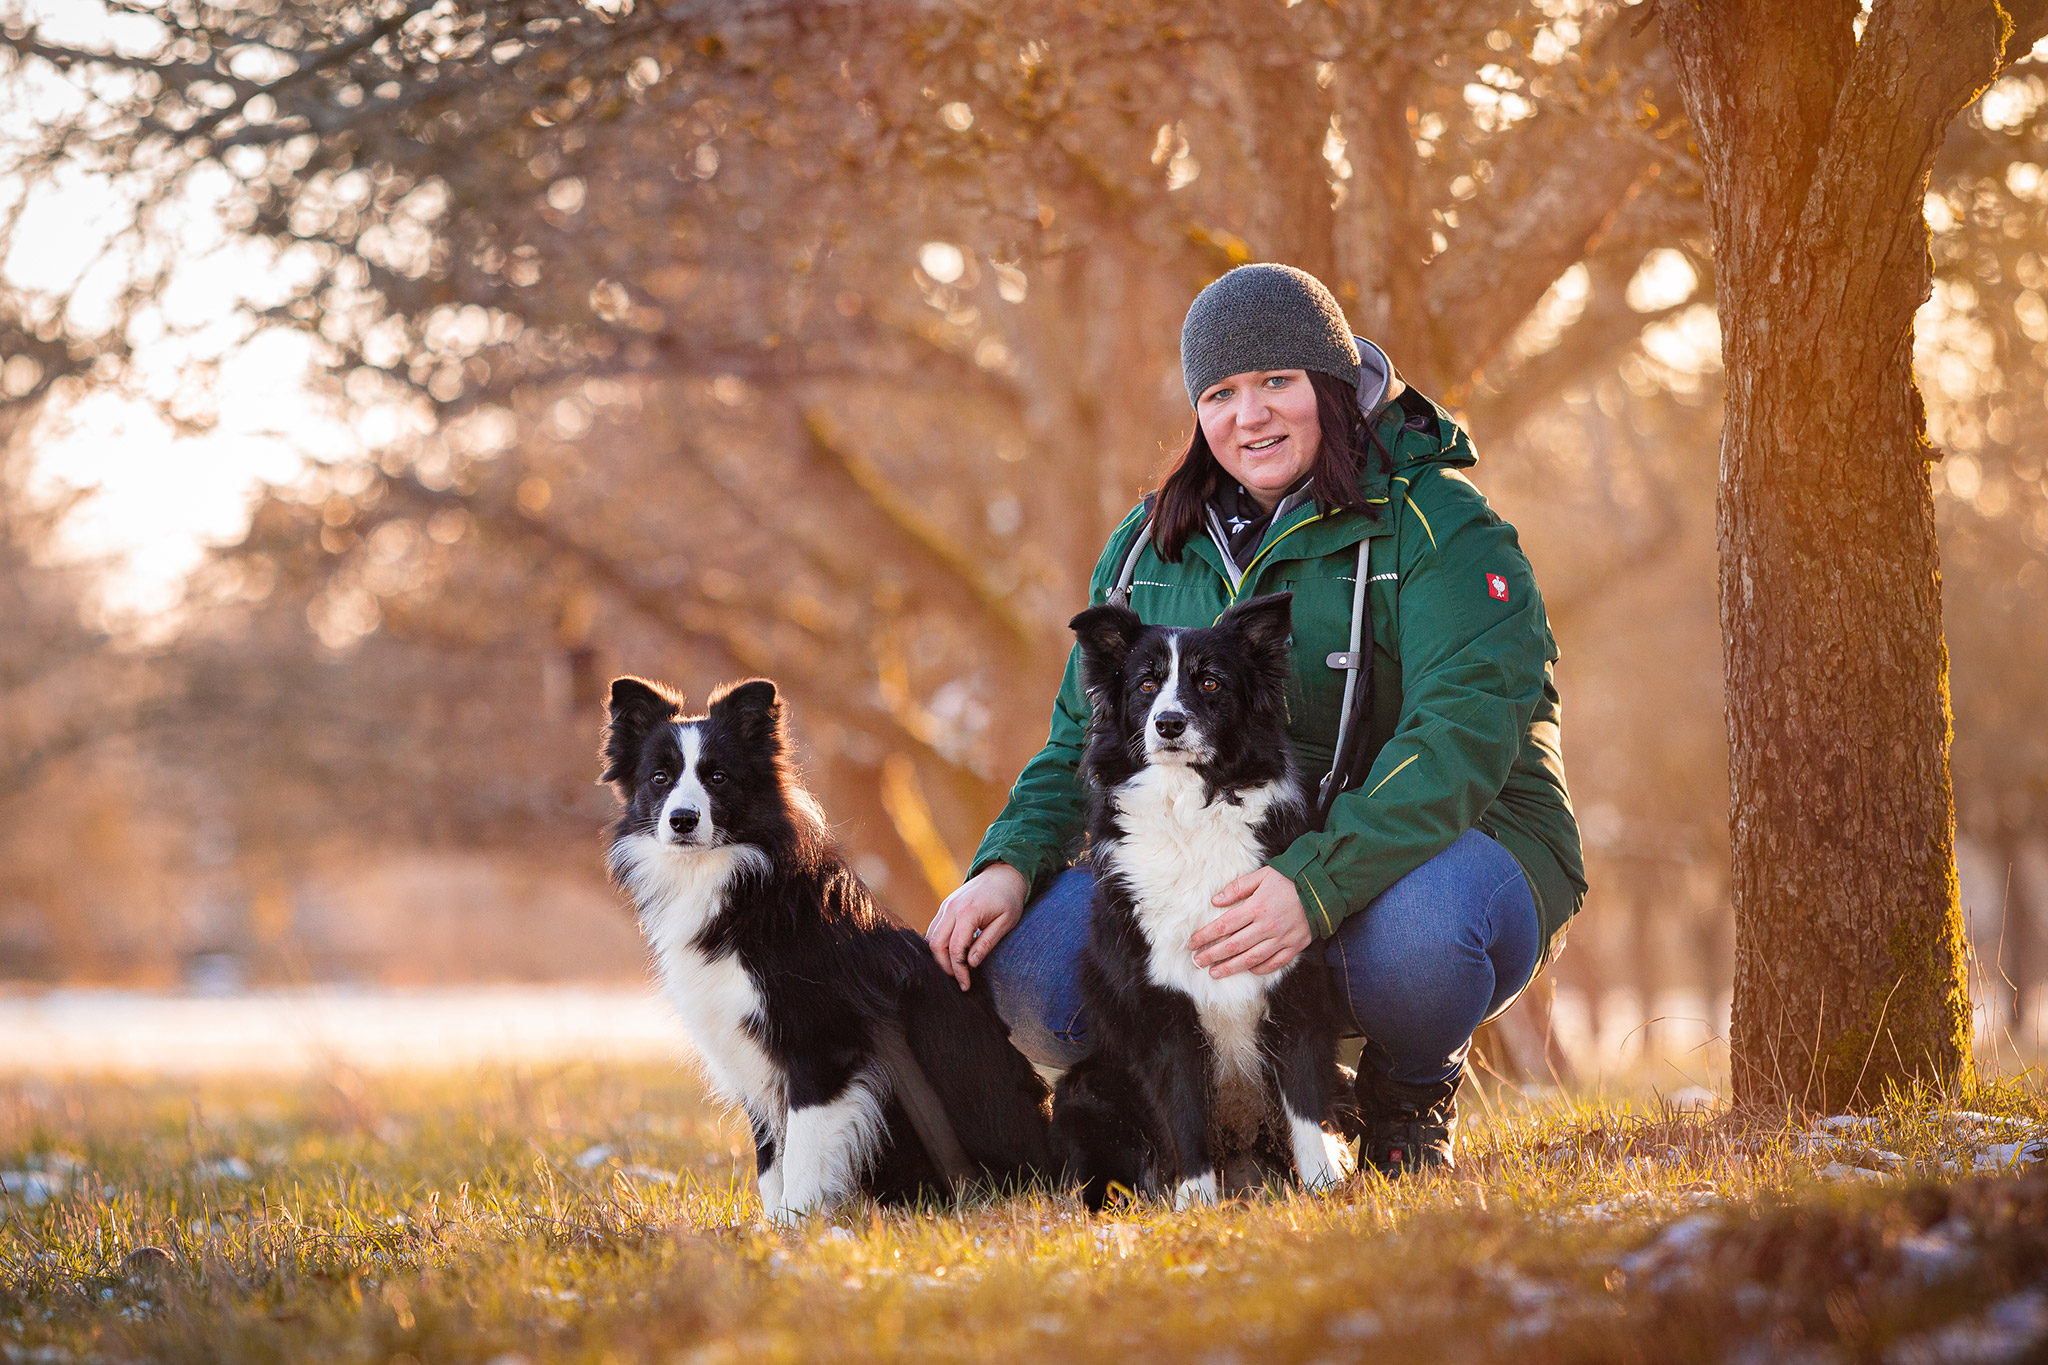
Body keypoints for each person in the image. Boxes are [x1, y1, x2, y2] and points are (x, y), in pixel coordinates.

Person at [925, 263, 1585, 1175]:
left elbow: (1462, 737)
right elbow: (1082, 738)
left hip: (1451, 850)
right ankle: (1207, 1115)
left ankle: (1405, 1095)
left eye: (1278, 381)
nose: (1252, 415)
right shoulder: (1146, 544)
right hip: (1224, 855)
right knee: (1032, 971)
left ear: (1333, 382)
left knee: (1422, 941)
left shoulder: (1439, 523)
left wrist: (1310, 884)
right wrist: (1005, 864)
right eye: (1222, 393)